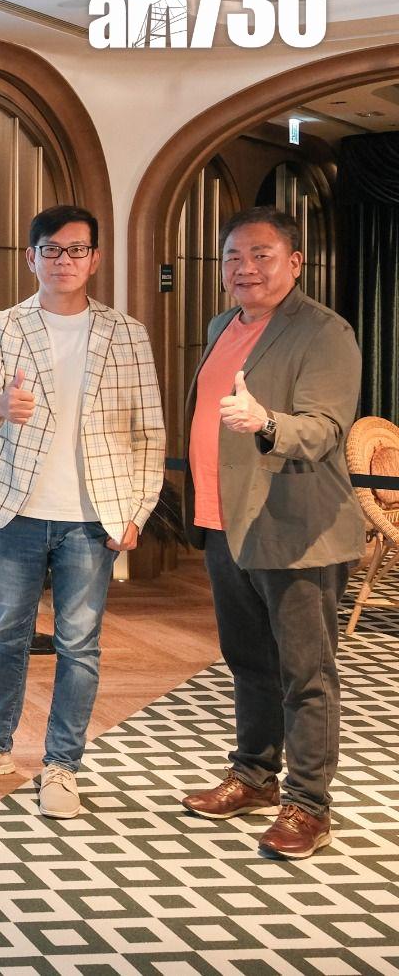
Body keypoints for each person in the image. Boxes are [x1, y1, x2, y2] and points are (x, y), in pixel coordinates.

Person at [0, 204, 165, 819]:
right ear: (31, 257)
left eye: (76, 249)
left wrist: (138, 509)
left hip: (94, 514)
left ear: (95, 258)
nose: (64, 260)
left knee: (79, 644)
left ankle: (62, 765)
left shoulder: (127, 333)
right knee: (6, 632)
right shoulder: (3, 325)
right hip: (17, 508)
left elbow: (149, 431)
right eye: (52, 250)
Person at [178, 207, 364, 860]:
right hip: (225, 525)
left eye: (262, 254)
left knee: (305, 673)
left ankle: (308, 805)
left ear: (295, 262)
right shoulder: (221, 324)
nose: (245, 268)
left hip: (295, 530)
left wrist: (266, 423)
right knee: (248, 661)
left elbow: (325, 428)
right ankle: (255, 776)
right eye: (233, 256)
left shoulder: (324, 331)